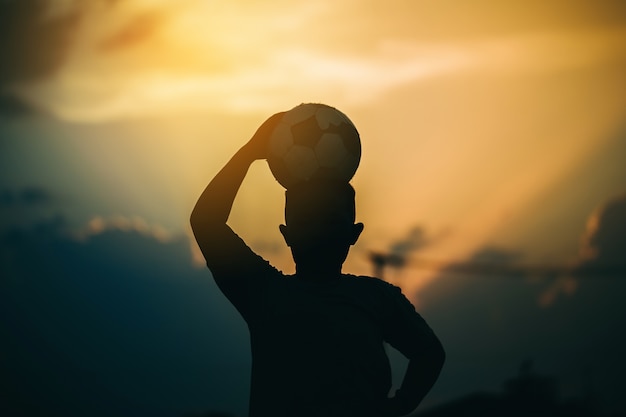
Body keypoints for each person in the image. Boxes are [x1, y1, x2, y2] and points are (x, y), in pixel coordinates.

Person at [190, 112, 445, 417]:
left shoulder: (269, 293)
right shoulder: (266, 293)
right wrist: (249, 152)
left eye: (328, 223)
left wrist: (399, 406)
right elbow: (205, 223)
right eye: (310, 222)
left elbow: (429, 354)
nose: (319, 231)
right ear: (287, 234)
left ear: (353, 234)